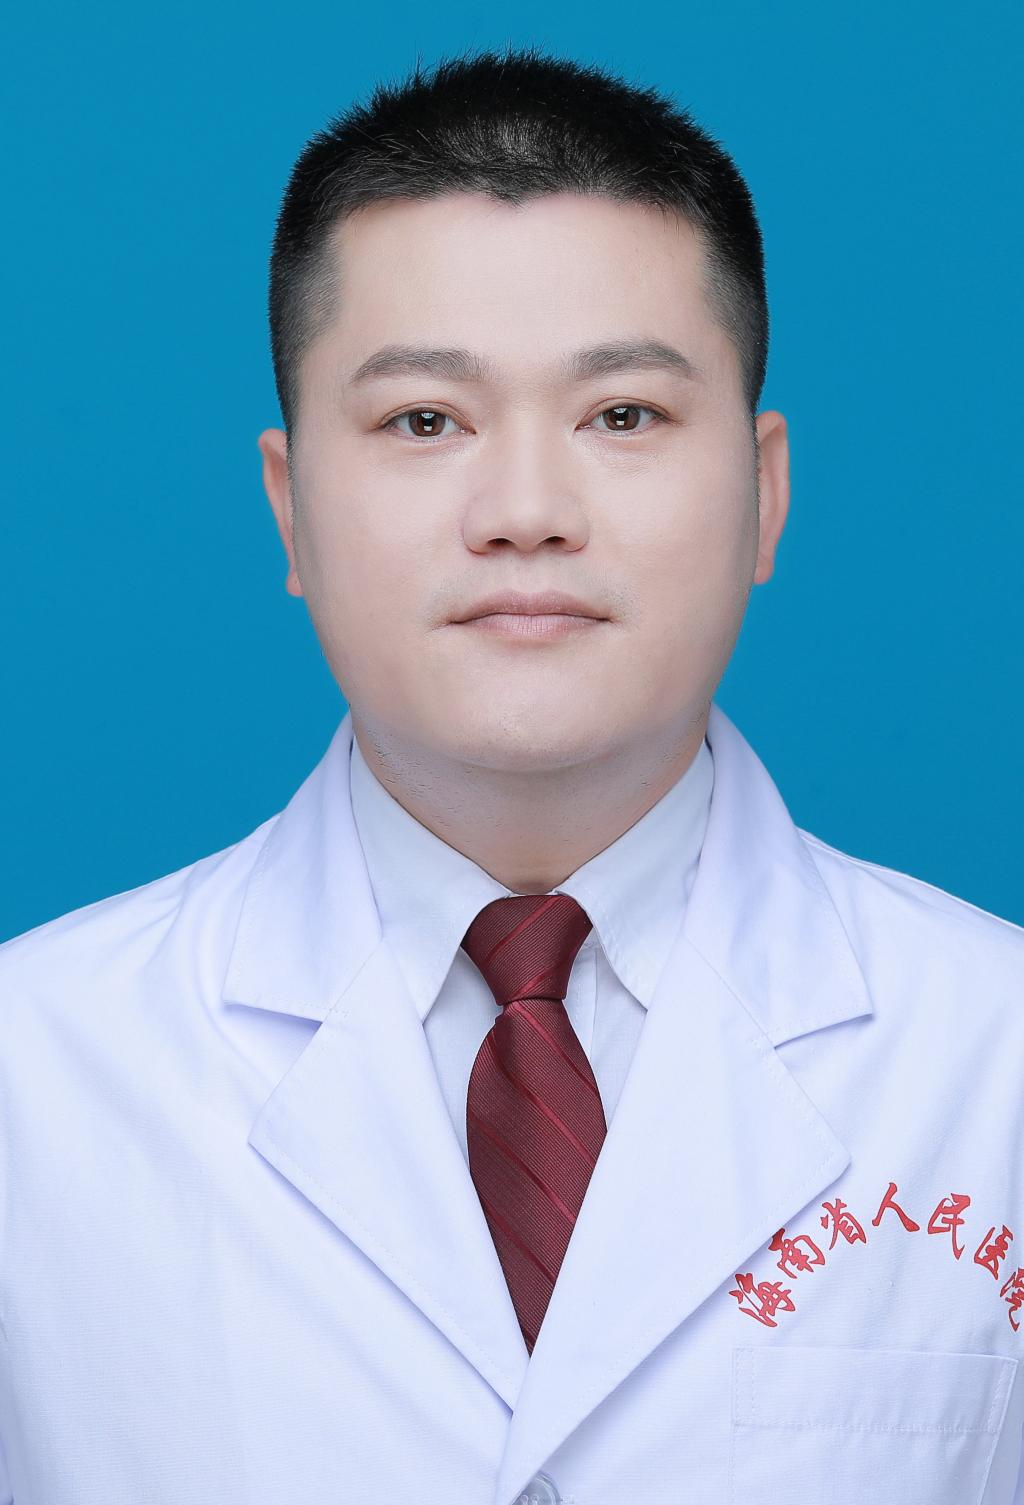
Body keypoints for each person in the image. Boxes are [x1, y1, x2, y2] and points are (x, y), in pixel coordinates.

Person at [0, 43, 1021, 1505]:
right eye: (424, 420)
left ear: (765, 491)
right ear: (290, 507)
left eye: (624, 415)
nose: (527, 510)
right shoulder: (32, 1077)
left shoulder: (994, 1059)